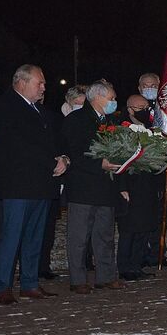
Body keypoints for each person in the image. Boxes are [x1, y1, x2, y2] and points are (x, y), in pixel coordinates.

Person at [0, 65, 68, 304]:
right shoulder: (4, 107)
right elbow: (16, 144)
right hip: (19, 184)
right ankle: (3, 285)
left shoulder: (40, 111)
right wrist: (49, 161)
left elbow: (53, 141)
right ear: (22, 82)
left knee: (35, 237)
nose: (44, 87)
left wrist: (63, 158)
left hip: (41, 183)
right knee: (12, 235)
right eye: (40, 82)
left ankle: (29, 283)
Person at [61, 79, 125, 294]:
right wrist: (99, 163)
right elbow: (75, 151)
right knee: (79, 236)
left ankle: (105, 276)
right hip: (83, 186)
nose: (114, 102)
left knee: (105, 235)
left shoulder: (111, 122)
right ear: (97, 97)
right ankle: (78, 279)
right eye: (111, 98)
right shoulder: (76, 120)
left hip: (106, 187)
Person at [116, 95, 161, 281]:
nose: (145, 110)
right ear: (130, 109)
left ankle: (136, 265)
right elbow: (117, 160)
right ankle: (125, 267)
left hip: (147, 187)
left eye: (146, 107)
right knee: (129, 230)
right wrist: (121, 187)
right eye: (140, 107)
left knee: (144, 228)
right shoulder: (121, 129)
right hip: (129, 187)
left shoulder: (150, 130)